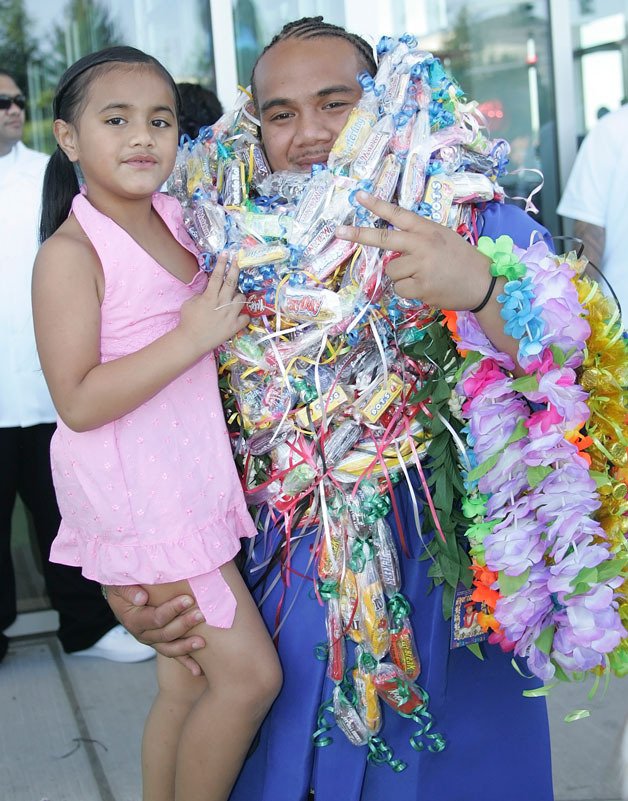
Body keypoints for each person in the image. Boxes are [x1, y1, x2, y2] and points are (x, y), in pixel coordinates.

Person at [105, 19, 554, 801]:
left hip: (441, 578)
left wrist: (479, 288)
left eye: (334, 104)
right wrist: (133, 574)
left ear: (377, 105)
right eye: (281, 114)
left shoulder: (463, 214)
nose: (307, 134)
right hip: (277, 583)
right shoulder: (216, 247)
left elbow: (578, 363)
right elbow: (144, 421)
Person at [32, 46, 282, 801]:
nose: (143, 137)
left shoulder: (176, 217)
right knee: (248, 680)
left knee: (186, 680)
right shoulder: (70, 255)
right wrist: (190, 337)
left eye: (160, 120)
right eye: (117, 120)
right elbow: (75, 400)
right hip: (142, 499)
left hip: (185, 478)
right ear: (70, 138)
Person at [0, 68, 153, 665]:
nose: (12, 110)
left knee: (62, 515)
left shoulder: (51, 174)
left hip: (51, 385)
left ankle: (86, 628)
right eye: (1, 102)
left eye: (17, 101)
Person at [557, 103, 628, 314]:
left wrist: (582, 330)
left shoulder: (611, 131)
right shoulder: (611, 132)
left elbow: (587, 248)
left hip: (618, 328)